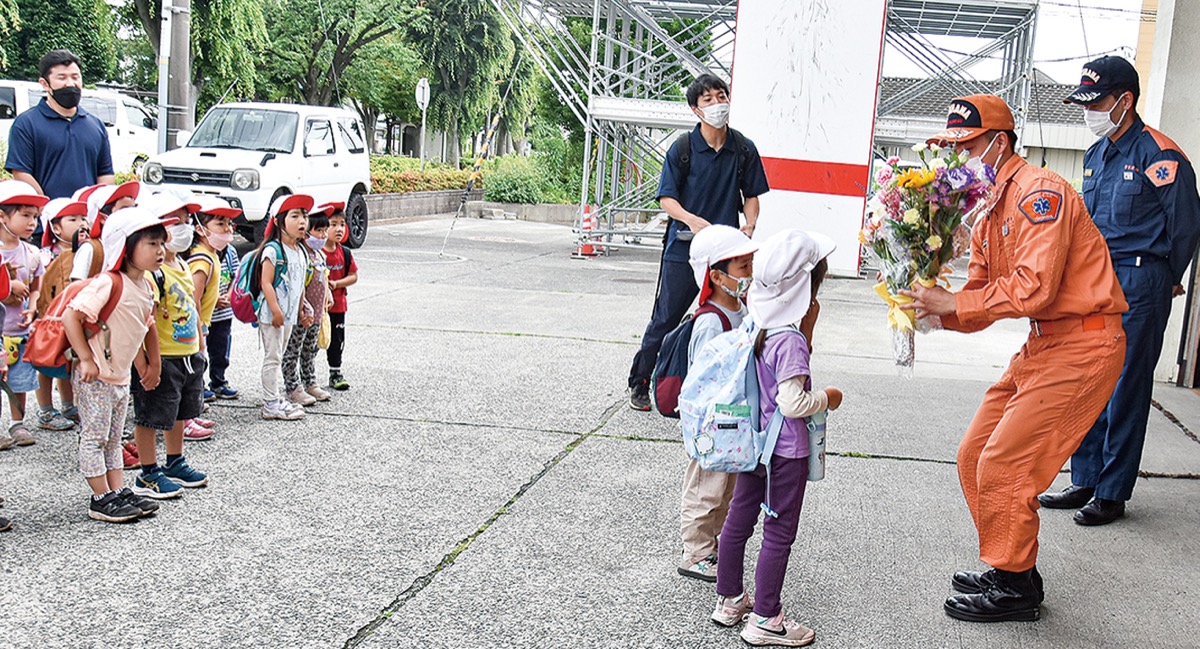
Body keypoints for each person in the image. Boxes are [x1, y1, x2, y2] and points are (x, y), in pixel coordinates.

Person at [902, 94, 1128, 623]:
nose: (957, 161)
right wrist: (928, 310)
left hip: (1084, 344)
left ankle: (1015, 590)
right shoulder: (987, 215)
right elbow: (981, 300)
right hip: (1045, 343)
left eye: (967, 147)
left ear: (999, 144)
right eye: (951, 149)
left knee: (1006, 463)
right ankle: (1013, 569)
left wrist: (953, 302)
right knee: (973, 451)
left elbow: (1034, 288)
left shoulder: (1037, 193)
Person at [1039, 56, 1200, 526]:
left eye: (1097, 102)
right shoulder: (1096, 154)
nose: (1088, 112)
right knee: (1088, 380)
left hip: (1140, 281)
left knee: (1126, 386)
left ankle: (1112, 492)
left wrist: (1166, 276)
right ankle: (1086, 478)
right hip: (1094, 282)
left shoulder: (1160, 155)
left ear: (1124, 101)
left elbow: (1187, 227)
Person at [713, 229, 840, 647]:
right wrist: (828, 398)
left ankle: (730, 600)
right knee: (779, 532)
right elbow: (793, 401)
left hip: (754, 443)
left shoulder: (759, 324)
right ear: (806, 290)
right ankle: (766, 617)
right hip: (785, 452)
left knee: (739, 519)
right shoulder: (790, 341)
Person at [628, 73, 770, 411]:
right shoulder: (683, 148)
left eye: (721, 95)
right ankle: (641, 381)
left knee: (740, 317)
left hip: (727, 256)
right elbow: (666, 198)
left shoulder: (743, 149)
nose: (717, 103)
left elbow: (752, 195)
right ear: (696, 109)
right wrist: (692, 220)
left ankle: (736, 384)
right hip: (683, 248)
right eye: (707, 99)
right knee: (666, 319)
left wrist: (750, 225)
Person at [63, 207, 166, 523]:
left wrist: (147, 365)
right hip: (96, 377)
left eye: (162, 243)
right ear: (125, 245)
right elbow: (72, 315)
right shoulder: (109, 282)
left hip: (119, 377)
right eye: (151, 243)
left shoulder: (146, 285)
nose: (160, 250)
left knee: (114, 439)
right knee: (95, 437)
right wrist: (84, 358)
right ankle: (100, 498)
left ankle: (116, 491)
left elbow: (139, 326)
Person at [677, 225, 757, 582]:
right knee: (705, 488)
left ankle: (711, 545)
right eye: (743, 268)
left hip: (733, 421)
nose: (750, 274)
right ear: (716, 276)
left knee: (726, 489)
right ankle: (694, 551)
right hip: (711, 424)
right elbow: (700, 381)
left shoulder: (741, 309)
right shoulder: (711, 321)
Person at [129, 194, 211, 500]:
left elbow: (192, 304)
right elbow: (142, 320)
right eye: (175, 221)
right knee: (151, 415)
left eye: (187, 221)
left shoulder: (182, 265)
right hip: (160, 355)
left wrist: (200, 341)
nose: (184, 228)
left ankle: (174, 461)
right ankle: (148, 473)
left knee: (180, 412)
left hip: (187, 353)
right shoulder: (152, 272)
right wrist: (145, 363)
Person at [4, 50, 113, 204]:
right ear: (44, 84)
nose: (70, 83)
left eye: (75, 77)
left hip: (86, 222)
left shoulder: (96, 125)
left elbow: (105, 173)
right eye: (61, 78)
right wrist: (48, 210)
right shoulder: (26, 124)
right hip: (46, 221)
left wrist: (96, 208)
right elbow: (21, 173)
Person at [33, 198, 90, 433]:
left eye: (84, 218)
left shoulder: (86, 252)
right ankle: (45, 409)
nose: (82, 224)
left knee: (68, 363)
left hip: (72, 316)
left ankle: (69, 405)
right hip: (49, 318)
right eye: (73, 219)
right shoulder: (46, 256)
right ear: (56, 228)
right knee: (46, 363)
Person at [257, 194, 314, 420]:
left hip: (289, 316)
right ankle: (270, 403)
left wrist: (301, 310)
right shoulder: (273, 250)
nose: (302, 222)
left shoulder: (301, 251)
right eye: (295, 216)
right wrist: (276, 311)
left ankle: (274, 396)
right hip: (273, 315)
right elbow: (266, 282)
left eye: (304, 216)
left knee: (278, 356)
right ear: (280, 221)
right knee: (272, 357)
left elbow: (299, 286)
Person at [0, 181, 47, 449]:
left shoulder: (32, 253)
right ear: (2, 216)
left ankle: (17, 422)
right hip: (0, 328)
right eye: (25, 215)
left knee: (19, 379)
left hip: (19, 329)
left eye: (35, 217)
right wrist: (8, 286)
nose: (32, 223)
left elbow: (37, 286)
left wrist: (32, 306)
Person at [188, 196, 241, 402]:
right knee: (194, 366)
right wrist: (200, 330)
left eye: (229, 223)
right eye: (220, 223)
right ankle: (192, 411)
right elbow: (194, 299)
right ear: (200, 229)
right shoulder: (202, 260)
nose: (227, 229)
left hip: (208, 321)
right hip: (196, 325)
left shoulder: (213, 255)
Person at [283, 206, 332, 407]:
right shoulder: (301, 253)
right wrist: (304, 307)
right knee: (293, 349)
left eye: (324, 231)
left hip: (317, 313)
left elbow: (323, 278)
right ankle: (292, 386)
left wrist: (328, 293)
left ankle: (310, 381)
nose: (322, 235)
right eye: (318, 230)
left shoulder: (320, 255)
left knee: (310, 349)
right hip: (300, 313)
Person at [70, 181, 140, 281]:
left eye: (133, 208)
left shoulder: (134, 246)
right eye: (124, 209)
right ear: (103, 218)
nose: (131, 214)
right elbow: (77, 286)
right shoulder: (91, 249)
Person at [322, 203, 358, 391]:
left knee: (337, 340)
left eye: (342, 224)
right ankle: (306, 376)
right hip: (318, 308)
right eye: (333, 224)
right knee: (310, 343)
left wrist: (337, 284)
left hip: (338, 306)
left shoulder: (344, 252)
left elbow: (354, 276)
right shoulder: (316, 253)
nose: (338, 229)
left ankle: (335, 372)